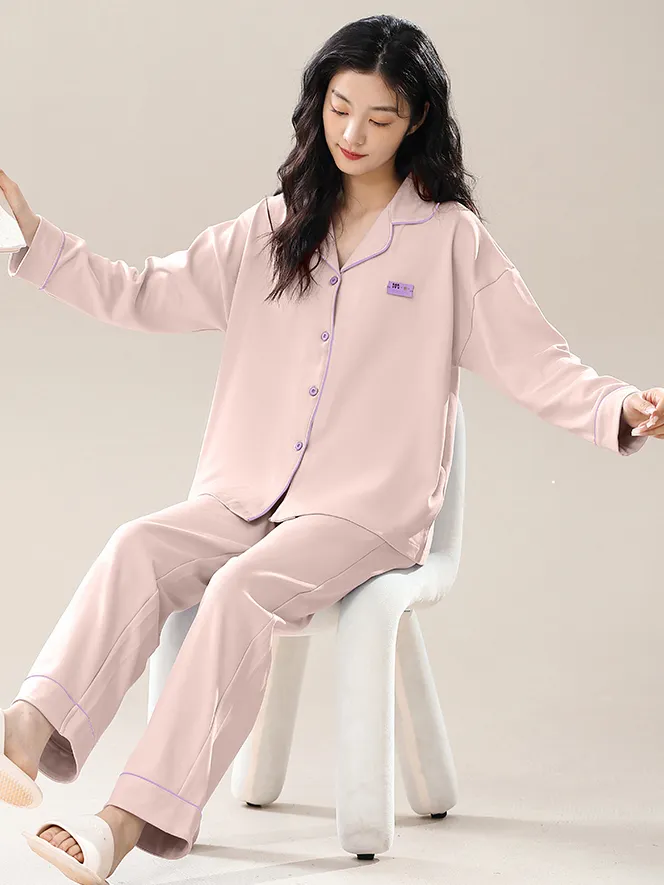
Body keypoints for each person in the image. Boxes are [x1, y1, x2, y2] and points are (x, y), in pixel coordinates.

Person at [1, 13, 662, 883]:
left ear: (416, 121)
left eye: (379, 117)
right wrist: (33, 240)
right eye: (339, 108)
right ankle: (22, 735)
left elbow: (537, 360)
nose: (353, 134)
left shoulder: (450, 241)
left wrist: (621, 406)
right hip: (248, 491)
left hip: (366, 511)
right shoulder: (275, 227)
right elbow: (143, 292)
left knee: (240, 590)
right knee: (140, 545)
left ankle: (123, 823)